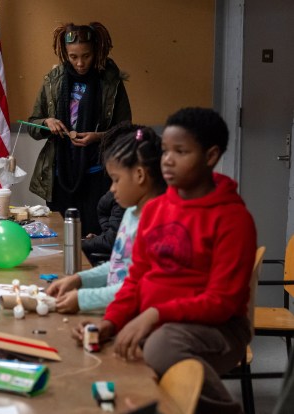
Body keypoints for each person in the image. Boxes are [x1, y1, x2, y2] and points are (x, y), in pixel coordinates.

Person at [72, 107, 257, 414]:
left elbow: (221, 301)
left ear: (210, 156)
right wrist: (110, 322)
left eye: (181, 151)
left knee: (160, 345)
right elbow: (135, 280)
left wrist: (154, 315)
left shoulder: (232, 219)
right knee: (97, 343)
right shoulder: (156, 210)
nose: (168, 160)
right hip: (160, 320)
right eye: (166, 151)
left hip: (218, 329)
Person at [47, 124, 166, 314]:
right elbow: (119, 265)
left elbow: (141, 289)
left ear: (139, 175)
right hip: (115, 310)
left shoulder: (160, 224)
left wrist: (83, 299)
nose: (112, 189)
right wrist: (80, 280)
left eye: (116, 180)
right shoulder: (131, 212)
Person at [27, 22, 132, 236]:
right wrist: (47, 122)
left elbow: (126, 131)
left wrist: (99, 137)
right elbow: (33, 125)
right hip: (59, 175)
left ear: (97, 51)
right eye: (73, 57)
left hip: (97, 175)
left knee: (93, 235)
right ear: (65, 53)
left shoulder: (111, 83)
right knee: (59, 236)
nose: (80, 63)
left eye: (86, 55)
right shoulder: (52, 81)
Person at [81, 190, 125, 264]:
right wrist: (104, 236)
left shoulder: (128, 207)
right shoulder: (130, 214)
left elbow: (113, 241)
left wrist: (80, 243)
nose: (112, 188)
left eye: (117, 181)